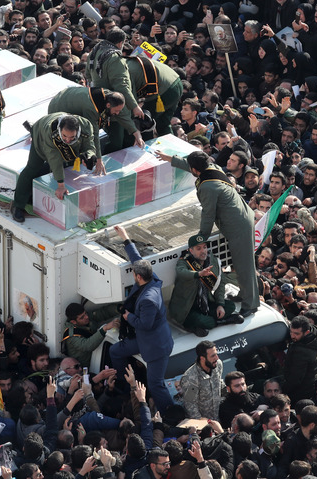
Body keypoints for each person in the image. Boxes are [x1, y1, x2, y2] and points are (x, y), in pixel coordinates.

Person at [154, 150, 260, 317]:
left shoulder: (207, 187)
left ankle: (251, 304)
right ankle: (245, 294)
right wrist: (171, 159)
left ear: (195, 170)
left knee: (244, 265)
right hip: (241, 217)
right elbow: (193, 164)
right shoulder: (212, 167)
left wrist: (201, 237)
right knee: (238, 263)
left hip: (238, 225)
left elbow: (208, 214)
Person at [108, 224, 175, 412]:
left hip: (155, 347)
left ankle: (170, 413)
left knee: (155, 385)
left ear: (137, 276)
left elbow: (144, 324)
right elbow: (137, 258)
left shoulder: (149, 300)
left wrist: (128, 316)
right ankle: (126, 385)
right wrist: (125, 237)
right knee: (115, 351)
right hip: (145, 339)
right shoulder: (151, 278)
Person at [11, 113, 98, 223]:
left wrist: (90, 155)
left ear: (78, 131)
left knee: (68, 162)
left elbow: (89, 145)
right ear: (60, 129)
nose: (67, 140)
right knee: (33, 167)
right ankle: (17, 205)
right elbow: (54, 159)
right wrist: (61, 185)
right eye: (65, 136)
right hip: (41, 136)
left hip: (65, 144)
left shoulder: (86, 126)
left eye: (72, 137)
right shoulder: (50, 132)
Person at [172, 234, 243, 338]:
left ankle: (206, 324)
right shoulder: (184, 262)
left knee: (230, 306)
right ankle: (222, 321)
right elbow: (181, 272)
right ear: (191, 251)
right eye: (198, 248)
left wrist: (220, 305)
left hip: (205, 303)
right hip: (187, 308)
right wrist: (199, 274)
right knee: (204, 321)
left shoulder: (212, 260)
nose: (203, 251)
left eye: (204, 247)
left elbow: (220, 284)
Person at [46, 86, 142, 156]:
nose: (117, 114)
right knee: (70, 138)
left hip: (70, 97)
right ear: (108, 105)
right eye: (116, 111)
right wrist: (99, 159)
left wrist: (136, 133)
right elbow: (93, 133)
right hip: (58, 107)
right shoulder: (91, 108)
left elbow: (122, 115)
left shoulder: (109, 96)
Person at [180, 340, 223, 420]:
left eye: (216, 354)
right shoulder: (190, 378)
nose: (217, 358)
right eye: (213, 356)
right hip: (203, 423)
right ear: (202, 358)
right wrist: (203, 424)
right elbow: (190, 405)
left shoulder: (218, 365)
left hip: (219, 417)